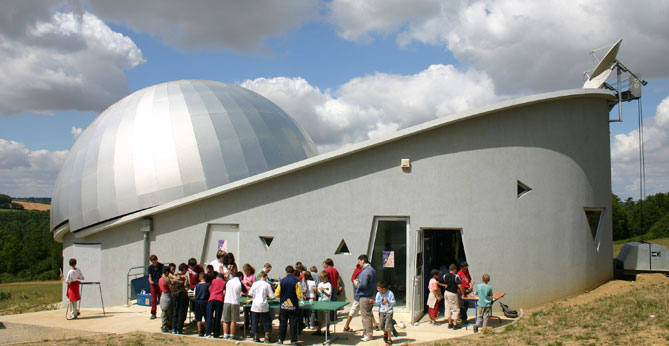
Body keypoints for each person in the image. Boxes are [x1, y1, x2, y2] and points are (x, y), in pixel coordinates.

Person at [343, 263, 379, 332]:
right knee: (354, 310)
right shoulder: (361, 272)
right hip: (360, 295)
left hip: (360, 294)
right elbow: (360, 284)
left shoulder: (359, 271)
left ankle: (375, 324)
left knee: (367, 310)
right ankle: (346, 326)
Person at [275, 265, 302, 345]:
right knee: (293, 323)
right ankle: (293, 341)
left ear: (286, 272)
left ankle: (280, 339)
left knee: (282, 323)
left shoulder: (281, 281)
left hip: (283, 305)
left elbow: (277, 294)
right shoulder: (296, 282)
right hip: (293, 306)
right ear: (293, 272)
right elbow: (299, 295)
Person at [353, 254, 376, 342]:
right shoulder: (372, 270)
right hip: (370, 295)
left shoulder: (365, 271)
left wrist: (356, 283)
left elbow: (362, 285)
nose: (359, 263)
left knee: (365, 316)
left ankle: (368, 334)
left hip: (365, 296)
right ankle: (366, 332)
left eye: (359, 261)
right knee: (368, 315)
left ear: (363, 261)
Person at [249, 271, 276, 343]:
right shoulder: (267, 284)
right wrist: (268, 298)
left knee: (255, 321)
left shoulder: (255, 284)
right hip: (263, 304)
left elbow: (250, 293)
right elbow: (272, 296)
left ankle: (255, 336)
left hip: (255, 305)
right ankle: (267, 337)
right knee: (266, 321)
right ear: (265, 277)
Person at [223, 271, 243, 339]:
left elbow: (224, 292)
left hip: (227, 301)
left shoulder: (228, 282)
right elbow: (246, 293)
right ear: (240, 277)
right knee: (233, 321)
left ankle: (225, 335)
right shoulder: (239, 283)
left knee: (225, 320)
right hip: (235, 302)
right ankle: (232, 335)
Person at [374, 281, 396, 345]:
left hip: (389, 311)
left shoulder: (390, 293)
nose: (377, 289)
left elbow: (394, 302)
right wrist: (373, 302)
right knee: (381, 325)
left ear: (383, 288)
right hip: (381, 311)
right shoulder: (378, 294)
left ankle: (389, 339)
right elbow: (377, 303)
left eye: (379, 288)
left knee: (388, 326)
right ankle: (385, 332)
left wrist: (388, 301)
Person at [171, 263, 190, 334]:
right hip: (182, 296)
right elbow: (187, 288)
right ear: (184, 269)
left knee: (175, 312)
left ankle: (174, 328)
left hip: (174, 296)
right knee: (181, 313)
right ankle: (179, 329)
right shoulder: (185, 277)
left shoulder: (173, 276)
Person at [206, 271, 226, 338]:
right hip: (219, 300)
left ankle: (208, 333)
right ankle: (216, 334)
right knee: (217, 317)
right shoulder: (224, 283)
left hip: (212, 299)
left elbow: (209, 289)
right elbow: (224, 292)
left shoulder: (213, 281)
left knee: (209, 316)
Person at [443, 264, 463, 330]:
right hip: (453, 293)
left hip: (446, 292)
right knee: (455, 308)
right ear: (454, 270)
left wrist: (444, 285)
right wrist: (463, 292)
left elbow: (438, 281)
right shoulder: (456, 276)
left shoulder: (445, 276)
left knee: (448, 307)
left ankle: (450, 323)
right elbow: (459, 285)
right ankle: (455, 324)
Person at [314, 271, 332, 336]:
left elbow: (329, 295)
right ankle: (319, 329)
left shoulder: (328, 285)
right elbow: (319, 294)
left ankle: (327, 330)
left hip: (326, 303)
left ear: (327, 277)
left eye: (323, 278)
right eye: (321, 278)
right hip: (320, 302)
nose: (322, 279)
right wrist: (316, 291)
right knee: (320, 317)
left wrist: (323, 291)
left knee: (326, 317)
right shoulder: (320, 284)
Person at [147, 254, 164, 320]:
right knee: (153, 299)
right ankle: (153, 313)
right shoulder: (150, 267)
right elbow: (149, 276)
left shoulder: (161, 266)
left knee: (161, 299)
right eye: (153, 262)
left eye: (155, 261)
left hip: (159, 284)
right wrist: (150, 280)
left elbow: (163, 274)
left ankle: (163, 312)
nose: (154, 263)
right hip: (153, 285)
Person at [194, 272, 210, 337]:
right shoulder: (208, 285)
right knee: (207, 317)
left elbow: (195, 294)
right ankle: (205, 328)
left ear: (199, 278)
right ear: (205, 278)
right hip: (205, 302)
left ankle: (199, 330)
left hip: (198, 301)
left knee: (198, 318)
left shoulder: (197, 286)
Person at [158, 266, 173, 333]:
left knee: (164, 312)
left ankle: (164, 326)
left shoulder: (160, 279)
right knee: (169, 313)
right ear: (167, 272)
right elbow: (171, 288)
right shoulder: (166, 279)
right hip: (168, 296)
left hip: (162, 296)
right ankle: (170, 326)